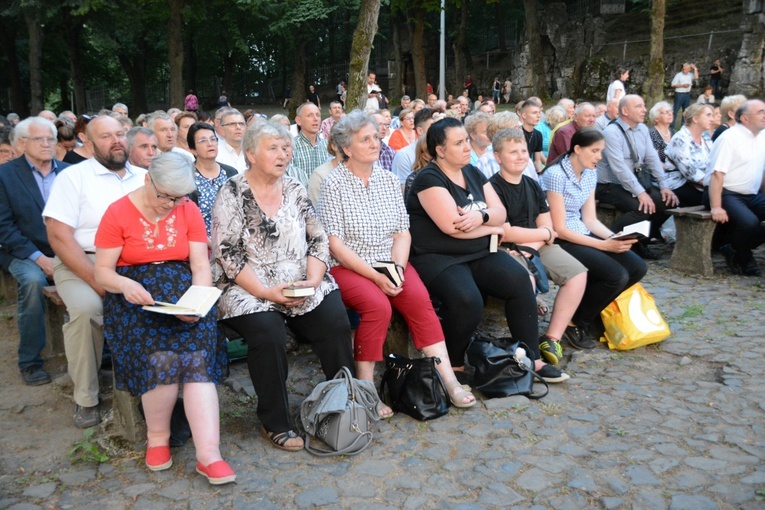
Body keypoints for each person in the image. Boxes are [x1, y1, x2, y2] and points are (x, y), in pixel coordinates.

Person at [211, 121, 356, 451]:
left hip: (299, 279)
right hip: (248, 285)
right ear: (250, 154)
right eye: (273, 148)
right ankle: (274, 421)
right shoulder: (231, 192)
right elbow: (228, 254)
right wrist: (264, 291)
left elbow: (318, 239)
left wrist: (315, 279)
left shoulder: (294, 188)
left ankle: (344, 404)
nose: (283, 154)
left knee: (335, 320)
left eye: (286, 148)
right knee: (268, 333)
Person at [318, 111, 476, 409]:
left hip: (390, 261)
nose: (375, 143)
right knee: (377, 305)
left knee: (418, 298)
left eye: (376, 137)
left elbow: (402, 233)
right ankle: (365, 389)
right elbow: (335, 245)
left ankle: (449, 380)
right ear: (347, 148)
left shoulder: (389, 180)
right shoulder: (333, 183)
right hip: (349, 265)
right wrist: (377, 277)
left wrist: (397, 270)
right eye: (365, 139)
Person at [93, 152, 234, 484]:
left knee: (198, 357)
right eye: (165, 197)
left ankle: (209, 454)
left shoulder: (188, 210)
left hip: (184, 294)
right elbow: (102, 272)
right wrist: (125, 284)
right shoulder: (117, 212)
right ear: (147, 180)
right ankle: (157, 438)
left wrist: (196, 304)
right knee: (161, 356)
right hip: (135, 299)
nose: (171, 204)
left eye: (178, 198)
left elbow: (200, 265)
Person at [406, 117, 568, 383]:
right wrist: (493, 228)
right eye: (458, 143)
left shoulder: (472, 171)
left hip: (478, 251)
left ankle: (532, 359)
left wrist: (481, 219)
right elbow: (451, 227)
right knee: (468, 299)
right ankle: (454, 364)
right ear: (440, 150)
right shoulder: (429, 179)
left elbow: (499, 211)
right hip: (438, 257)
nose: (467, 147)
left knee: (518, 279)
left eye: (466, 140)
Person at [43, 116, 147, 428]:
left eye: (120, 134)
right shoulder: (73, 178)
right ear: (87, 143)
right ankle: (86, 396)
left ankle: (160, 383)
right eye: (105, 136)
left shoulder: (145, 177)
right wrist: (96, 279)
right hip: (82, 261)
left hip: (135, 262)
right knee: (88, 309)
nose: (116, 141)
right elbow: (59, 237)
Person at [542, 128, 647, 348]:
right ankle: (574, 322)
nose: (599, 157)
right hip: (560, 239)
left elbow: (590, 219)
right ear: (578, 149)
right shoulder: (556, 174)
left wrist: (615, 237)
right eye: (595, 151)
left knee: (637, 267)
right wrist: (604, 245)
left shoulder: (590, 173)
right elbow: (559, 228)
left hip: (581, 232)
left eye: (601, 151)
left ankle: (588, 313)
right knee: (616, 275)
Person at [489, 128, 587, 363]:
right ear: (498, 157)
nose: (521, 156)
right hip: (505, 249)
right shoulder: (492, 187)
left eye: (523, 150)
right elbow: (505, 231)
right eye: (513, 152)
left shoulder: (532, 184)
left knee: (577, 274)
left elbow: (549, 227)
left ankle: (552, 337)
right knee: (525, 279)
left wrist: (532, 243)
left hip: (534, 245)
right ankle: (525, 344)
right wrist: (540, 235)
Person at [0, 117, 69, 385]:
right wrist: (40, 259)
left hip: (66, 247)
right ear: (21, 143)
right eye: (39, 139)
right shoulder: (5, 176)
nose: (47, 144)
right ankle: (30, 361)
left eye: (51, 138)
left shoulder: (68, 172)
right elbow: (4, 228)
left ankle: (106, 352)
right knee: (32, 282)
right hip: (21, 250)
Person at [595, 95, 679, 259]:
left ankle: (640, 240)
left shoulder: (642, 129)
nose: (644, 110)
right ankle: (607, 243)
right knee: (641, 207)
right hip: (609, 185)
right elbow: (619, 168)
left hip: (635, 181)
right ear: (625, 111)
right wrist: (641, 193)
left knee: (666, 201)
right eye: (639, 106)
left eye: (644, 105)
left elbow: (652, 159)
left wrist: (664, 186)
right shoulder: (611, 133)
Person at [703, 99, 765, 276]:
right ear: (745, 118)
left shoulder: (762, 137)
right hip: (723, 192)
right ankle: (743, 256)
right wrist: (716, 207)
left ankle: (732, 246)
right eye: (760, 112)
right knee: (749, 222)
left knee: (751, 222)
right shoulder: (729, 138)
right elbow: (717, 175)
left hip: (750, 194)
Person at [186, 122, 237, 238]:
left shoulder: (231, 173)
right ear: (193, 150)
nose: (210, 144)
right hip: (199, 240)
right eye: (203, 141)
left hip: (230, 238)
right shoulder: (186, 176)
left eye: (213, 139)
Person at [663, 104, 714, 207]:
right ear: (695, 119)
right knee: (720, 200)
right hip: (679, 184)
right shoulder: (680, 139)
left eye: (712, 115)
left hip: (704, 184)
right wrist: (716, 185)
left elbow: (714, 163)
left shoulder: (706, 138)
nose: (712, 119)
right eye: (708, 115)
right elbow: (690, 172)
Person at [287, 102, 330, 187]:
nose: (315, 119)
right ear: (299, 121)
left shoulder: (327, 146)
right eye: (310, 115)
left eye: (318, 115)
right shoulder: (291, 147)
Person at [647, 101, 675, 172]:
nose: (670, 114)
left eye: (670, 111)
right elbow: (653, 160)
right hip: (661, 173)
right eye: (666, 112)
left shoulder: (674, 133)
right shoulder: (652, 134)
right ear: (656, 118)